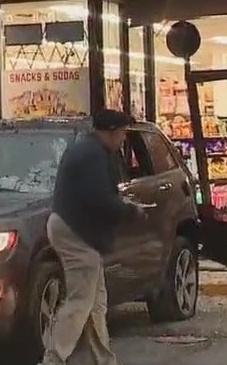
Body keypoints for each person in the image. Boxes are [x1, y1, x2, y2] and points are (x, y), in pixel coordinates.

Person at [41, 109, 146, 365]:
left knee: (96, 302)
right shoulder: (92, 155)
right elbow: (98, 199)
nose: (123, 139)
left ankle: (101, 358)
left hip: (75, 230)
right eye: (121, 133)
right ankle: (53, 359)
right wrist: (130, 210)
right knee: (80, 301)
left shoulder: (91, 150)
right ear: (110, 132)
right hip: (75, 232)